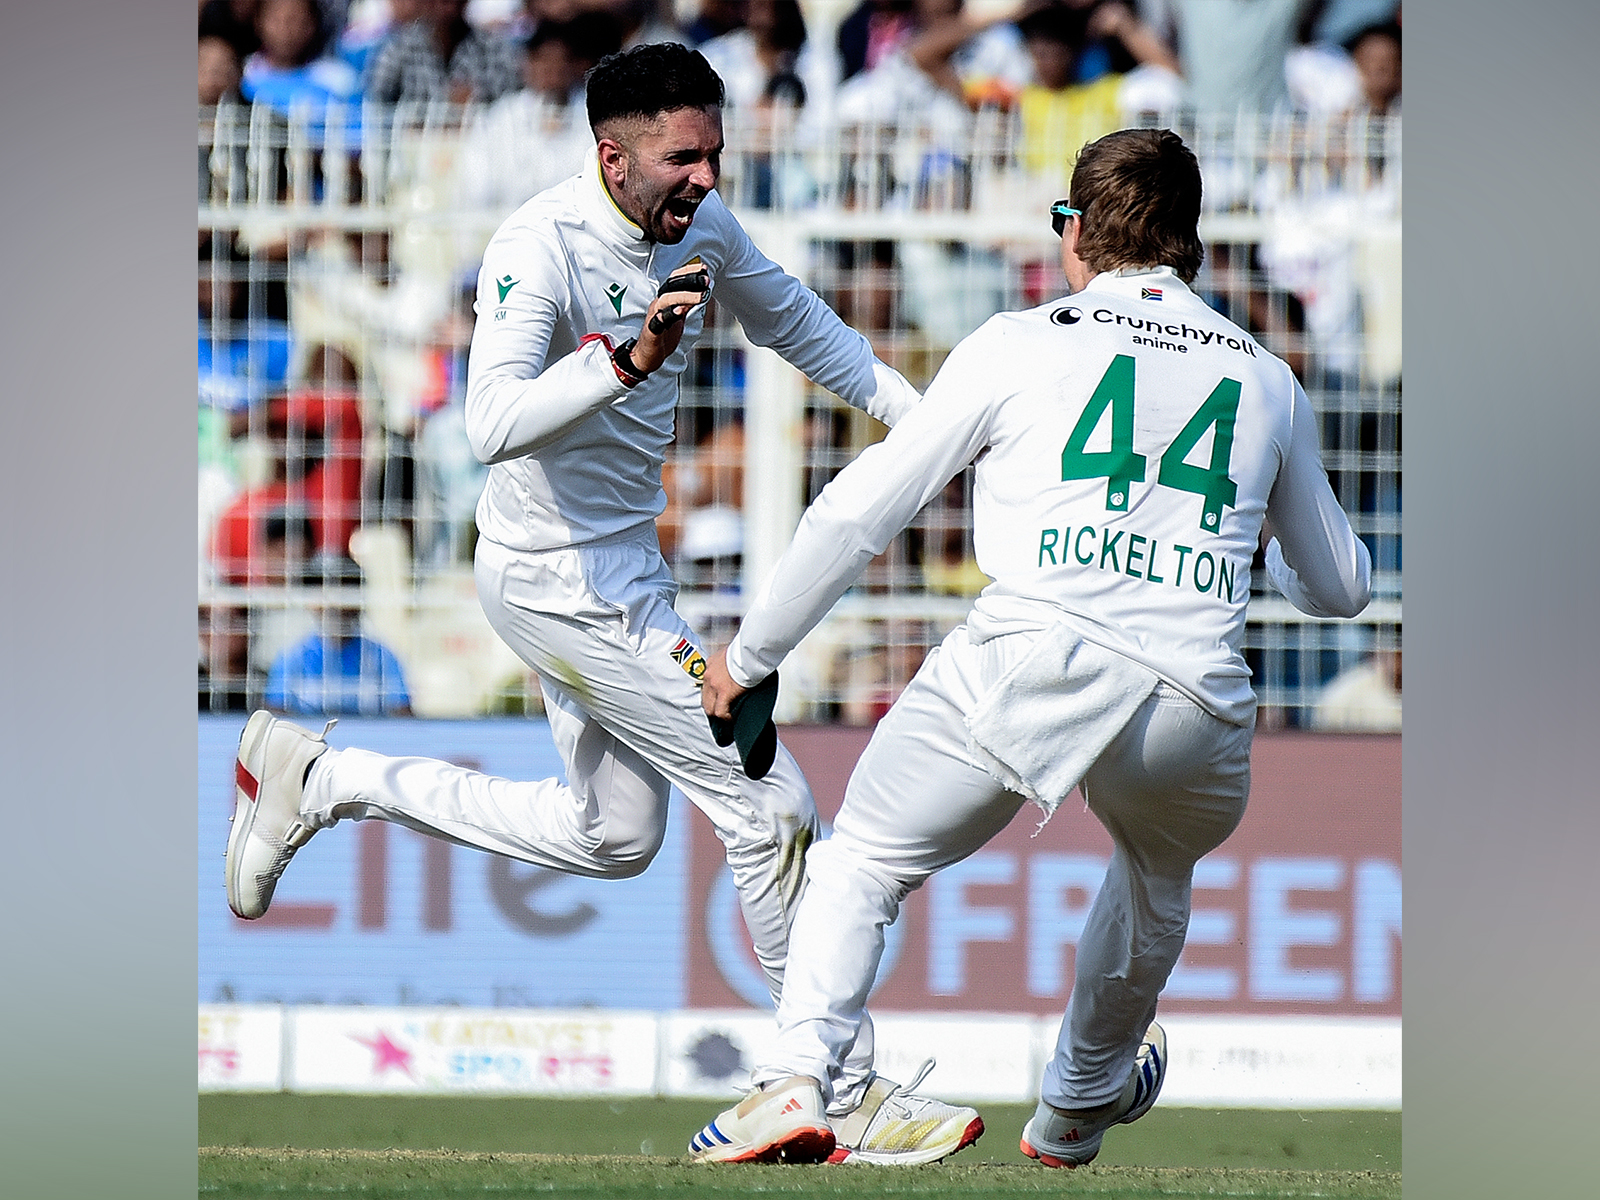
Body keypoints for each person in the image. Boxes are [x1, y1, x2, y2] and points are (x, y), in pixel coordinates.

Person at [225, 41, 975, 1165]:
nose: (706, 178)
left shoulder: (703, 229)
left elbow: (803, 326)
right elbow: (487, 425)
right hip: (556, 577)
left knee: (613, 837)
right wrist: (626, 360)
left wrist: (934, 429)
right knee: (765, 800)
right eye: (683, 158)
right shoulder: (540, 241)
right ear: (611, 156)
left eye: (714, 154)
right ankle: (829, 1084)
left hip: (620, 567)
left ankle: (325, 777)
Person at [689, 127, 1371, 1166]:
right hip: (1194, 694)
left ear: (1074, 231)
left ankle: (798, 1080)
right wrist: (1263, 549)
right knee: (1154, 879)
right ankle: (1075, 1105)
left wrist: (752, 653)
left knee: (862, 861)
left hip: (1029, 657)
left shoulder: (1018, 340)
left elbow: (857, 515)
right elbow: (1341, 587)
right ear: (1189, 242)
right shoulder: (1266, 377)